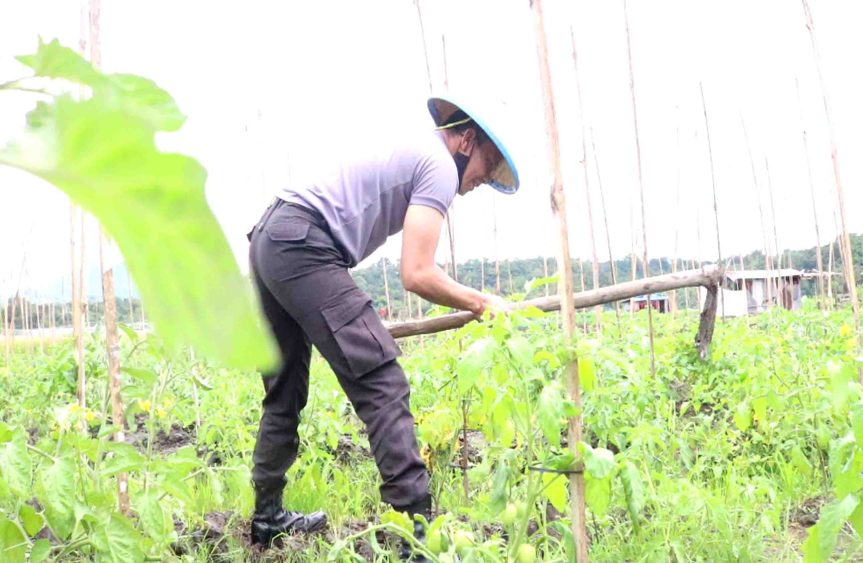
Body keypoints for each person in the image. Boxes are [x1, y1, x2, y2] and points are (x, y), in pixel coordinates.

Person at [246, 96, 519, 559]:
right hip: (304, 244)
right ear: (466, 139)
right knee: (382, 380)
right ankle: (417, 535)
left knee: (286, 389)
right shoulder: (439, 167)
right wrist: (482, 301)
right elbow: (417, 273)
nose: (480, 182)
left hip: (272, 237)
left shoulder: (415, 153)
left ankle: (268, 516)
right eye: (487, 166)